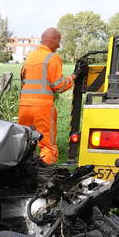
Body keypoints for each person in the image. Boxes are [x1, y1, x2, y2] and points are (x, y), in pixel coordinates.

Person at [17, 27, 74, 164]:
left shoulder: (30, 57)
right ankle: (46, 177)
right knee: (48, 146)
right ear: (53, 40)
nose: (59, 45)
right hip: (42, 108)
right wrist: (73, 78)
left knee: (24, 144)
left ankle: (21, 173)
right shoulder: (52, 58)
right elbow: (59, 86)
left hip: (24, 107)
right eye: (59, 41)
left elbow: (23, 81)